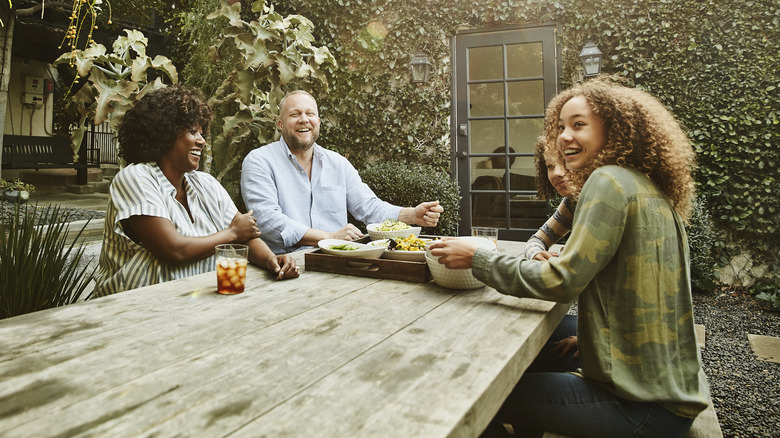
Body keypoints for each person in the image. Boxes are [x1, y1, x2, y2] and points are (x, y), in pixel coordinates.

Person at [430, 78, 707, 437]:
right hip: (665, 382)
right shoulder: (644, 184)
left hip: (643, 407)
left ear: (615, 128)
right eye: (560, 126)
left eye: (579, 125)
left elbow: (561, 282)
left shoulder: (607, 182)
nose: (563, 136)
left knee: (476, 393)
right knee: (547, 343)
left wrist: (477, 260)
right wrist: (595, 340)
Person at [94, 86, 299, 298]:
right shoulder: (136, 178)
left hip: (197, 301)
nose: (201, 140)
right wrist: (232, 233)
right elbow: (174, 250)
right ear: (164, 133)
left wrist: (271, 260)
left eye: (202, 132)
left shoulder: (205, 184)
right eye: (193, 131)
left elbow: (245, 236)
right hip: (130, 308)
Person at [241, 90, 444, 254]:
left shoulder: (338, 164)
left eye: (310, 114)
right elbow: (267, 221)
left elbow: (369, 208)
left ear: (318, 122)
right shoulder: (259, 161)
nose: (304, 119)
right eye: (295, 114)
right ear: (280, 124)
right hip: (282, 265)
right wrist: (328, 237)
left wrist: (412, 215)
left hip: (336, 261)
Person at [523, 137, 576, 261]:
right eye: (550, 166)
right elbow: (538, 239)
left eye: (565, 162)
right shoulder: (573, 202)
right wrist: (535, 253)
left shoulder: (605, 200)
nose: (556, 173)